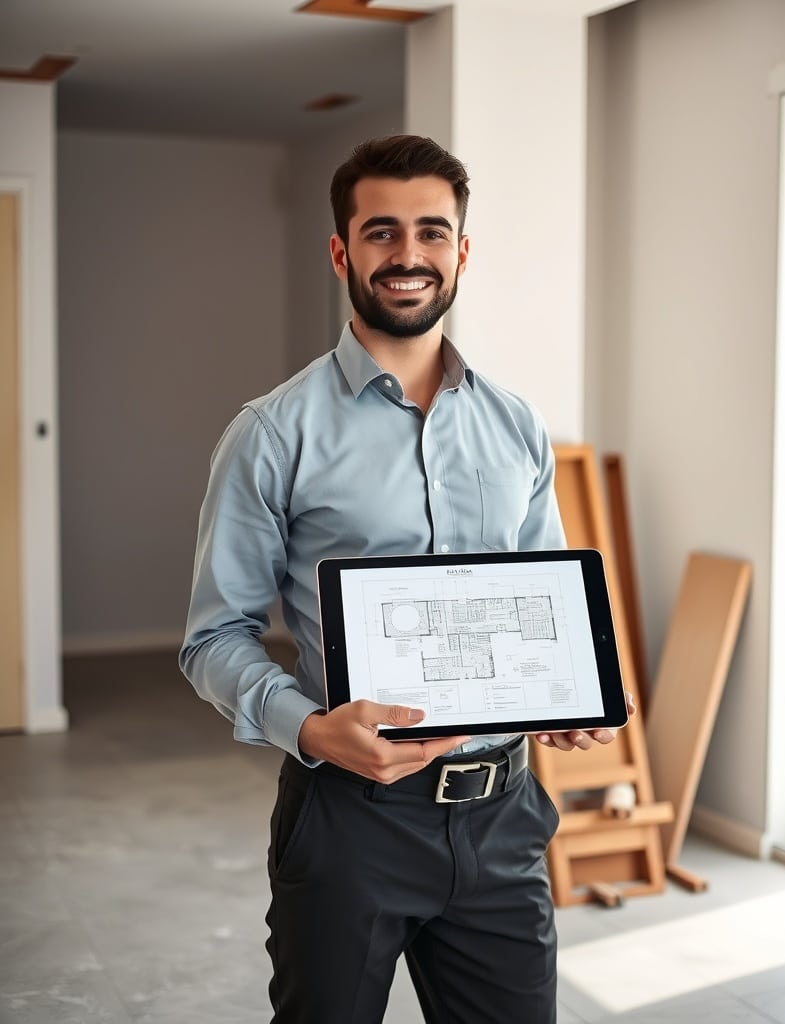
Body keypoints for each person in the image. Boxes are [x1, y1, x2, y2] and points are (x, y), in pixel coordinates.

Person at [180, 134, 632, 1024]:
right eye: (382, 233)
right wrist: (309, 729)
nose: (409, 255)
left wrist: (564, 690)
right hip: (352, 822)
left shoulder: (515, 426)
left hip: (505, 817)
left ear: (461, 252)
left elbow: (541, 608)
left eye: (432, 232)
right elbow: (212, 638)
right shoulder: (272, 433)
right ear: (342, 252)